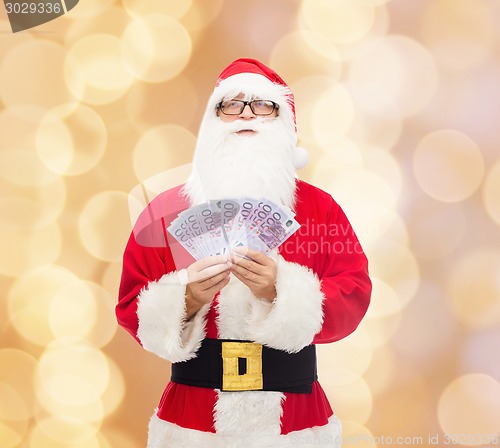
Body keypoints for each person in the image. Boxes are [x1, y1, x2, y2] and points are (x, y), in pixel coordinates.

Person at [116, 58, 372, 448]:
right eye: (232, 104)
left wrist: (281, 292)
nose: (246, 114)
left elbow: (354, 294)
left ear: (283, 122)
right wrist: (186, 298)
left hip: (295, 421)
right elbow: (130, 305)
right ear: (212, 120)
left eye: (263, 105)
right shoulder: (164, 212)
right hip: (192, 422)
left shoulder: (321, 210)